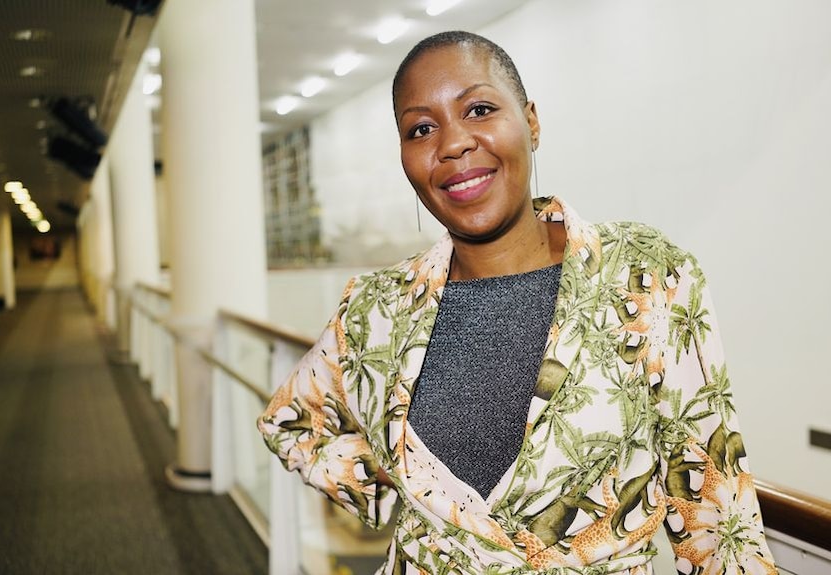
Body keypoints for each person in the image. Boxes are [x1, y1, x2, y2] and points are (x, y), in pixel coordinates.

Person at [258, 30, 777, 575]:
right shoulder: (377, 309)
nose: (453, 143)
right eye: (422, 128)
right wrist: (394, 484)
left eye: (479, 109)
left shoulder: (645, 277)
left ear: (531, 121)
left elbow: (718, 519)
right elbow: (289, 423)